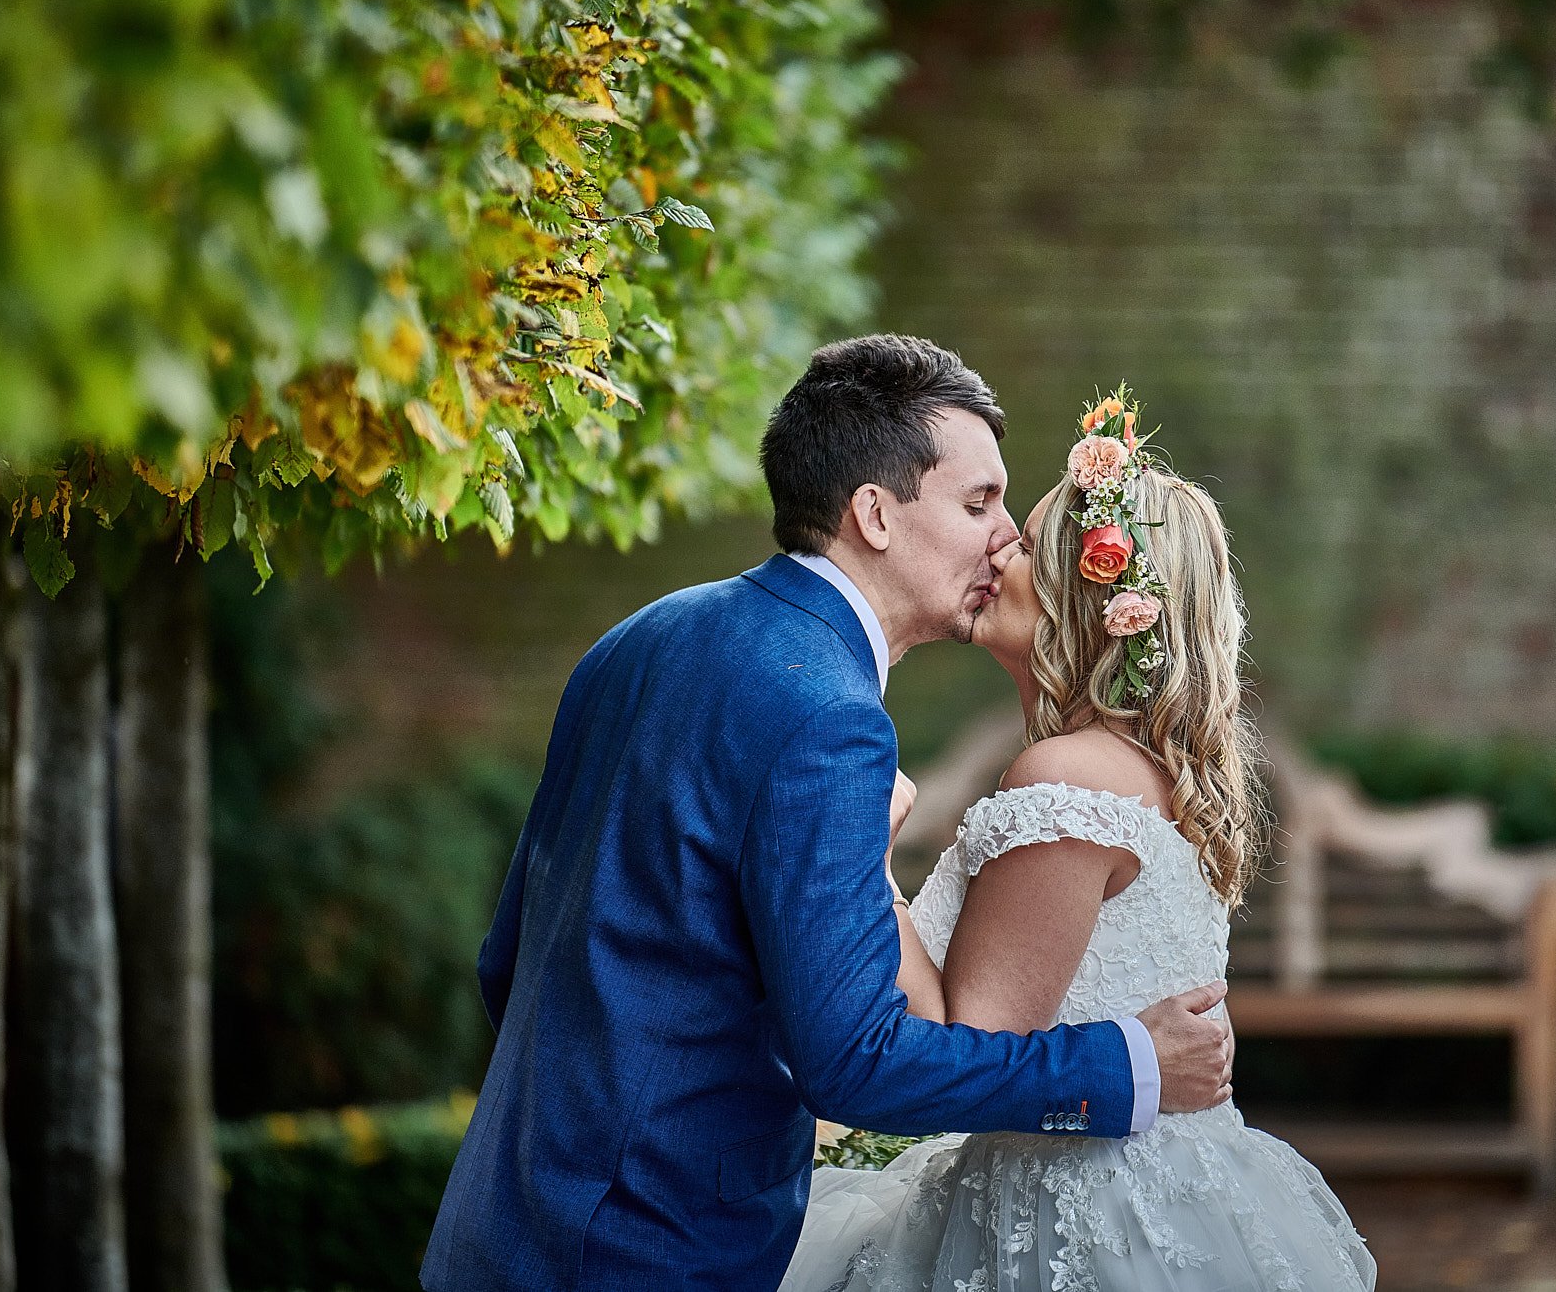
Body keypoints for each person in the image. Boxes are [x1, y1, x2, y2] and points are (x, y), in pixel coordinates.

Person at [420, 337, 1235, 1292]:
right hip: (651, 1245)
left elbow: (510, 954)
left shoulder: (639, 635)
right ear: (876, 514)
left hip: (499, 1222)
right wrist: (1127, 1063)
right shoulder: (831, 719)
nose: (1003, 537)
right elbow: (857, 1063)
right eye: (977, 503)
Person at [779, 388, 1378, 1291]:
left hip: (1075, 1216)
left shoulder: (1071, 777)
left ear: (1086, 602)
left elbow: (962, 1039)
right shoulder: (1150, 774)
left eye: (1018, 544)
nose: (992, 552)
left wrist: (860, 848)